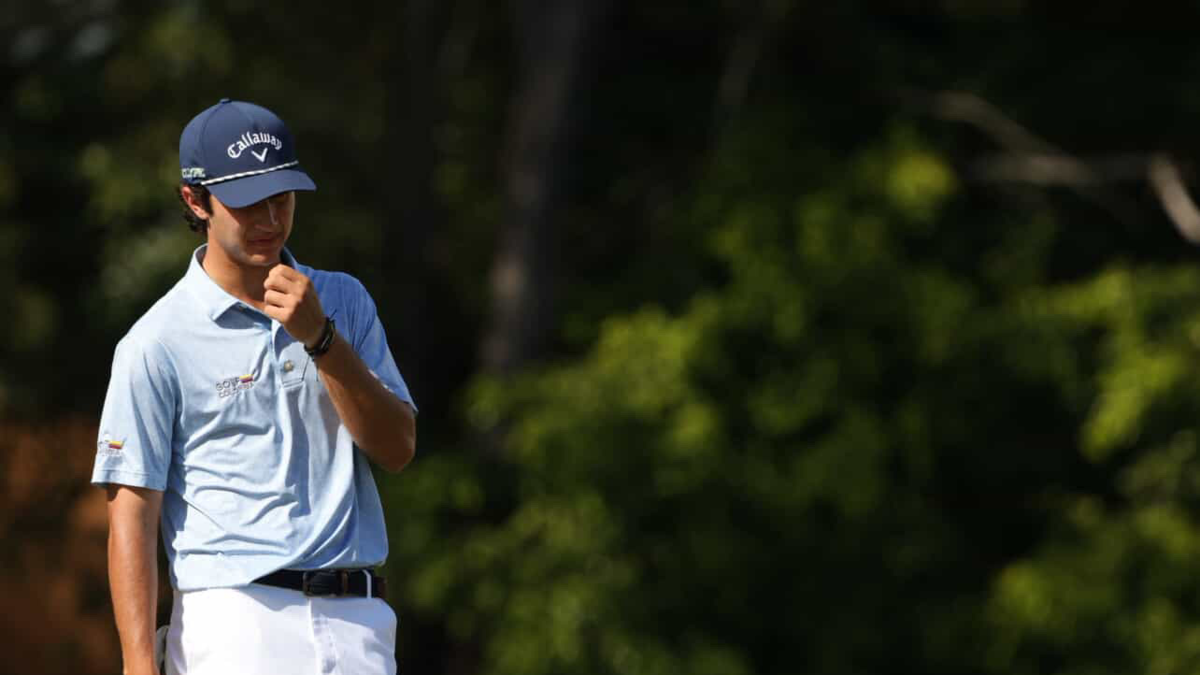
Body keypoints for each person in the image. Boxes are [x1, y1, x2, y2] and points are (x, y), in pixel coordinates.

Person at [92, 98, 417, 675]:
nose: (270, 219)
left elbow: (397, 449)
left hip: (359, 621)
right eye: (248, 203)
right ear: (196, 201)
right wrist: (139, 667)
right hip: (235, 623)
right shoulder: (155, 342)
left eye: (282, 198)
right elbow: (132, 519)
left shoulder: (343, 301)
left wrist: (321, 339)